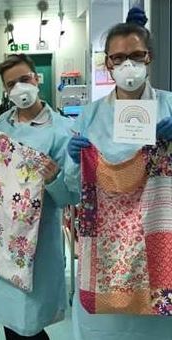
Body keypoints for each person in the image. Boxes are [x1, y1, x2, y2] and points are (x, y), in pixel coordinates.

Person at [66, 8, 172, 340]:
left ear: (149, 57)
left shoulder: (170, 108)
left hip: (159, 232)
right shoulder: (89, 117)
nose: (129, 65)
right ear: (108, 64)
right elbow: (73, 191)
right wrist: (74, 161)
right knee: (106, 328)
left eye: (136, 56)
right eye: (119, 58)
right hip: (107, 247)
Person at [0, 54, 77, 339]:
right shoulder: (2, 126)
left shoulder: (62, 131)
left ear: (37, 78)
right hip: (1, 239)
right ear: (6, 92)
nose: (20, 88)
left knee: (30, 324)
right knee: (10, 321)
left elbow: (69, 197)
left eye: (24, 79)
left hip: (37, 242)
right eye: (11, 84)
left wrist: (53, 177)